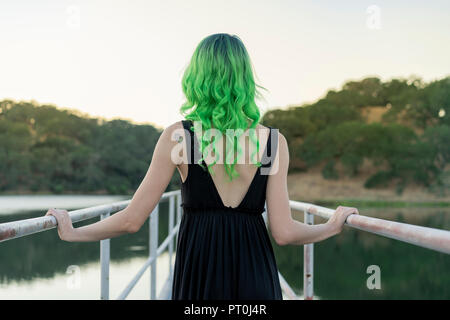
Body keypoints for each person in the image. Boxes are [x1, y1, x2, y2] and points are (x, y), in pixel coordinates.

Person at [46, 33, 359, 300]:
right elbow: (284, 232)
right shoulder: (273, 142)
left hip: (198, 278)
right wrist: (330, 226)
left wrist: (73, 232)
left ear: (196, 76)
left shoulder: (178, 137)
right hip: (256, 278)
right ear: (245, 78)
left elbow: (131, 221)